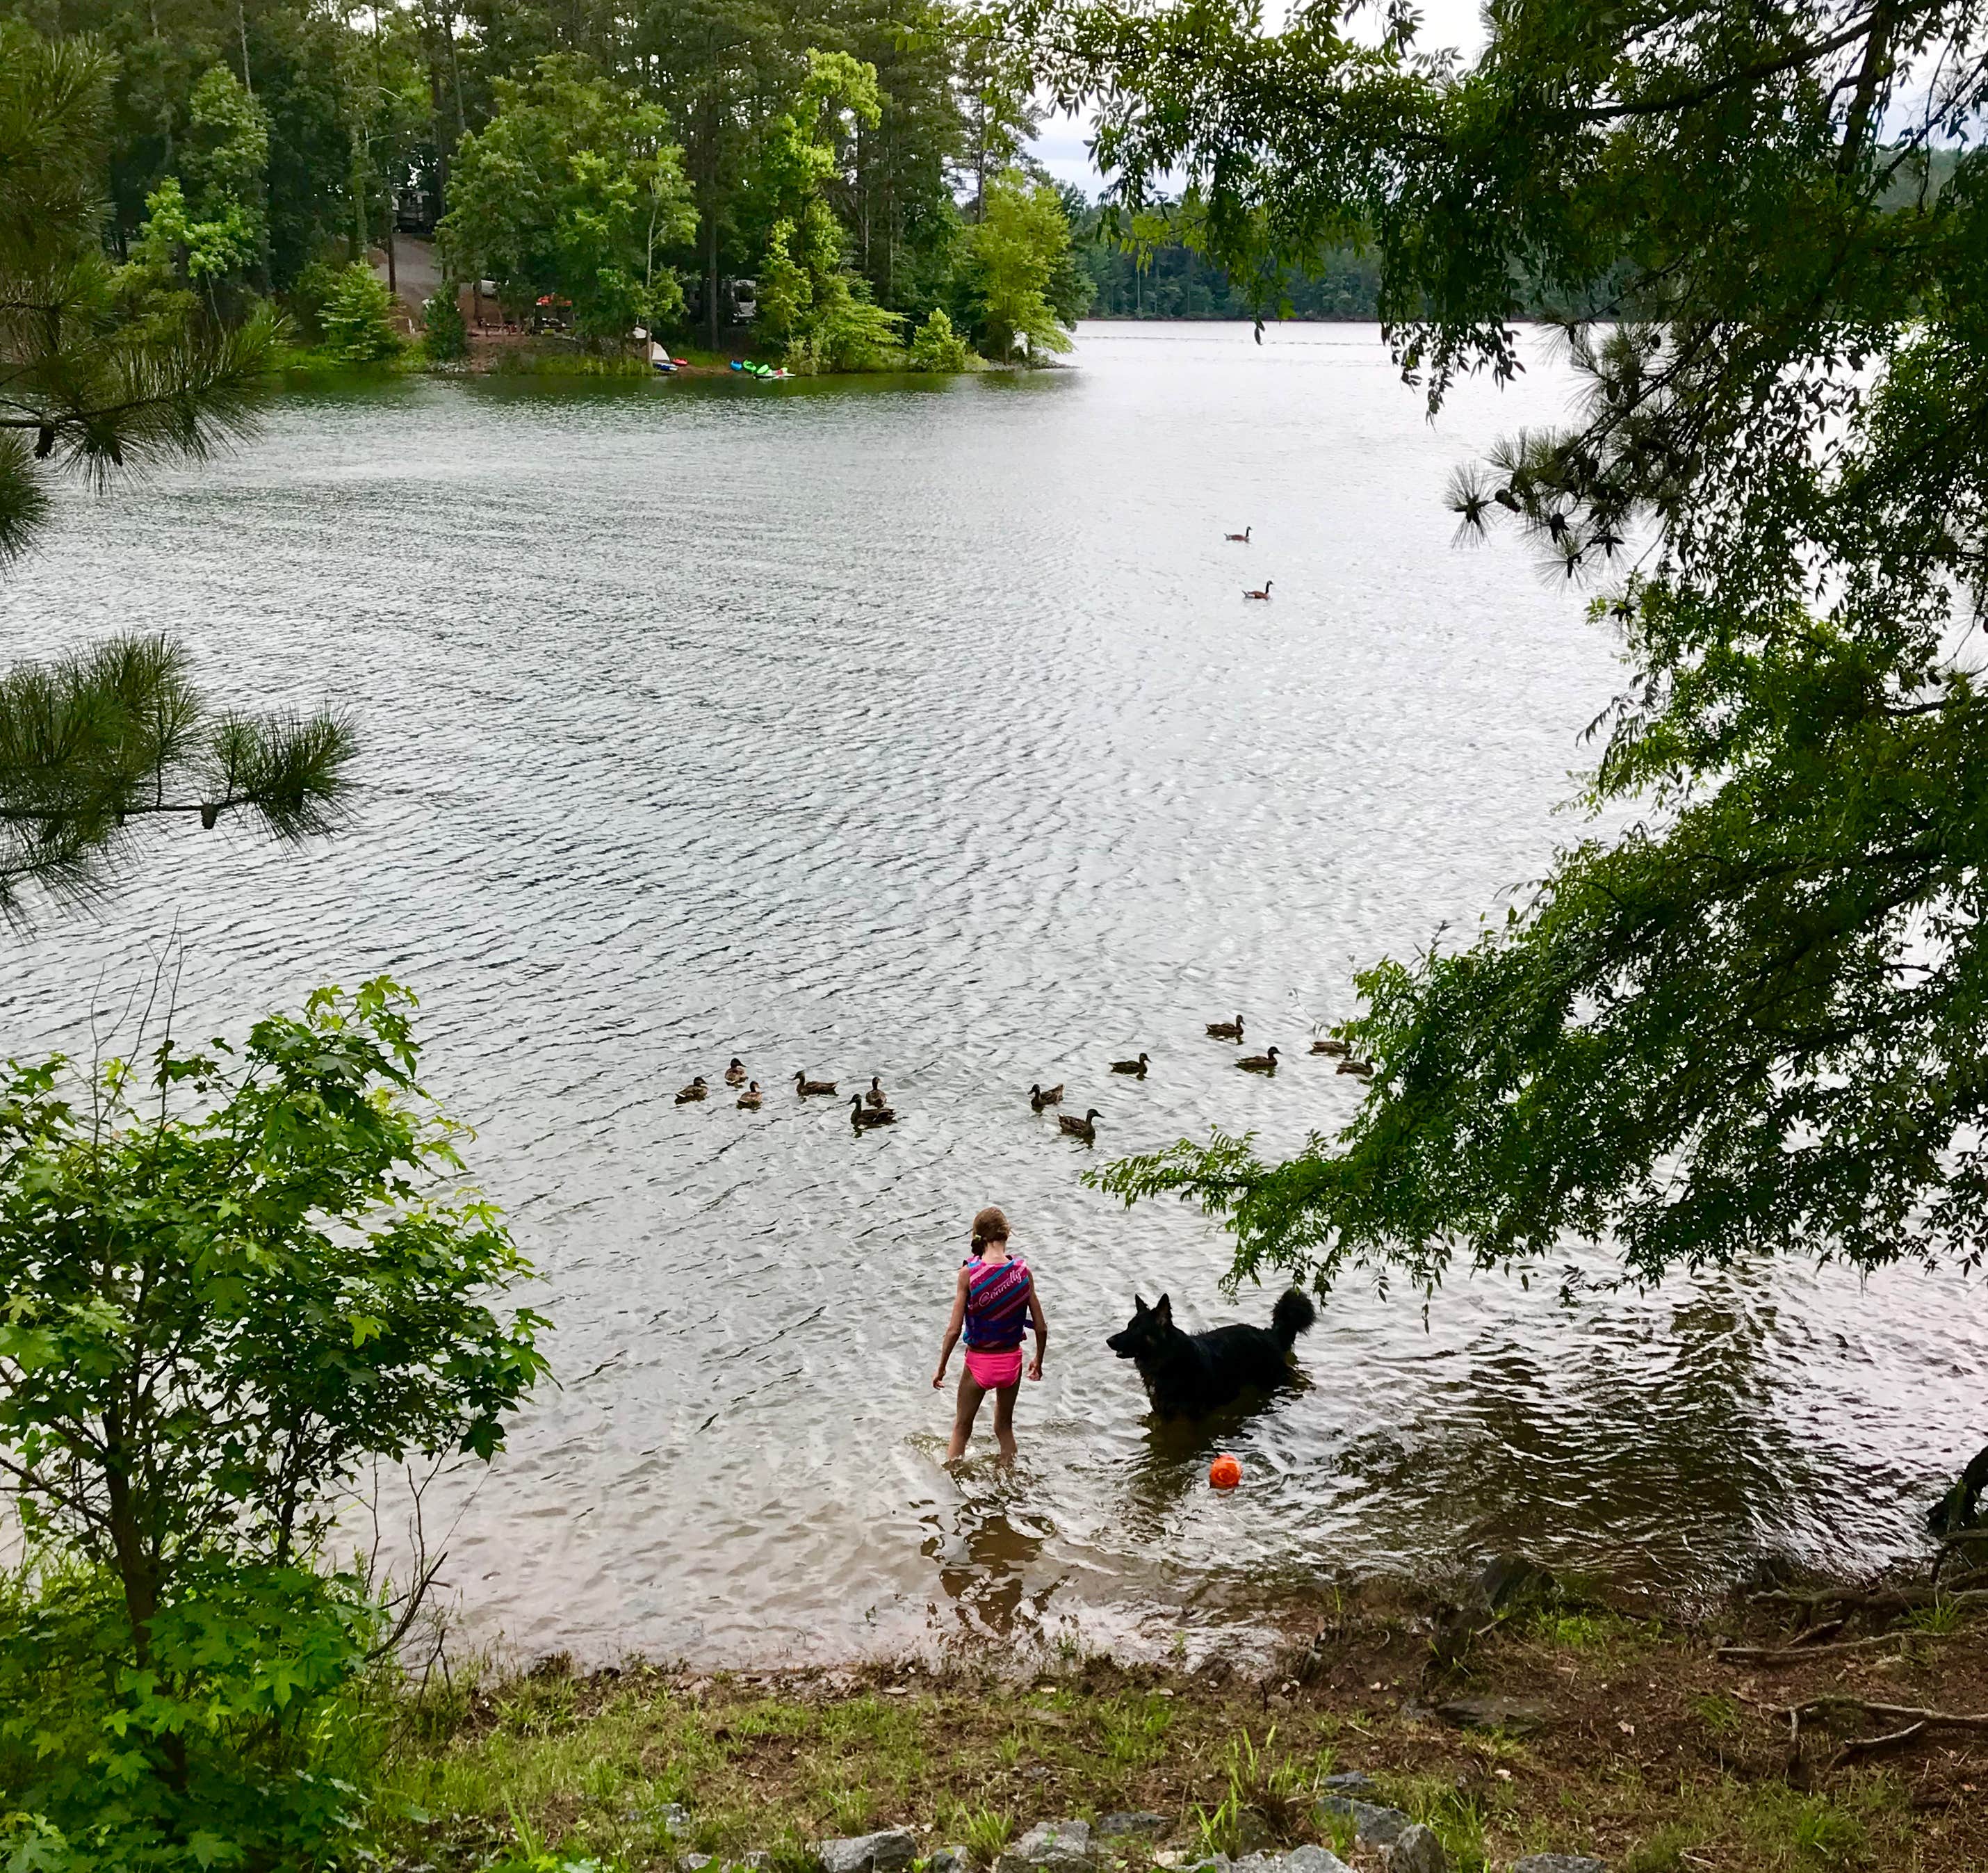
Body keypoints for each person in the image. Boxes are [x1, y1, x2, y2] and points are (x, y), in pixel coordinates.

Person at [932, 1205, 1048, 1463]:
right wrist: (1038, 1361)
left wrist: (941, 1368)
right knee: (1004, 1428)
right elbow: (1041, 1327)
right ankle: (1008, 1475)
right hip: (1011, 1363)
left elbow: (953, 1330)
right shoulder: (1022, 1273)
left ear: (977, 1237)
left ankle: (952, 1483)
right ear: (1007, 1235)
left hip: (979, 1363)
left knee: (962, 1429)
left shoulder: (968, 1275)